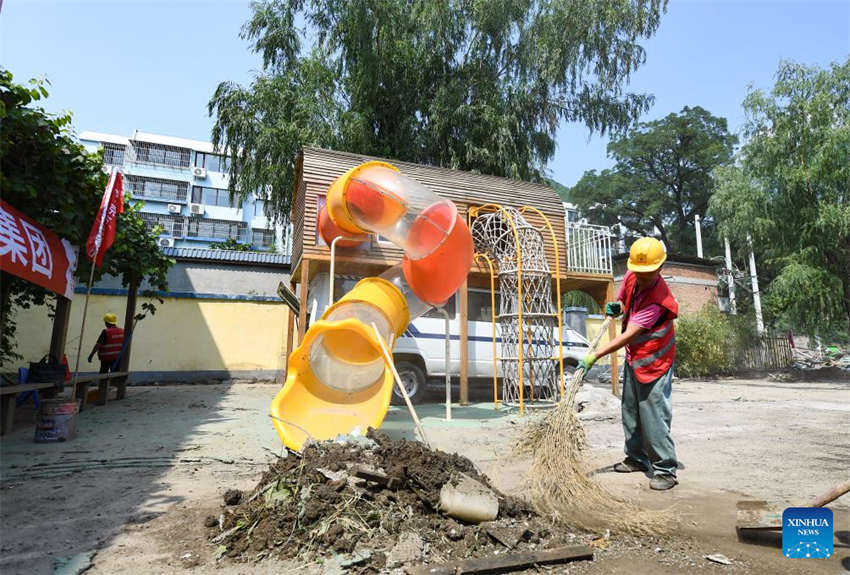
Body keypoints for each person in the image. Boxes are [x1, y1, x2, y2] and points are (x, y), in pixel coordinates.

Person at [577, 237, 680, 491]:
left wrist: (595, 355)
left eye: (648, 273)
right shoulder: (634, 277)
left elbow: (628, 334)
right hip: (636, 358)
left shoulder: (659, 298)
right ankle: (636, 458)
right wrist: (618, 307)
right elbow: (625, 301)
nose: (642, 277)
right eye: (638, 272)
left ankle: (665, 469)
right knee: (631, 411)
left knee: (653, 415)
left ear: (659, 269)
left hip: (655, 360)